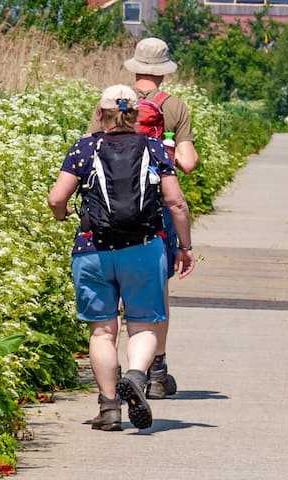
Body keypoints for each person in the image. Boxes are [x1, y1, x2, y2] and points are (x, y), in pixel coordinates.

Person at [49, 85, 196, 431]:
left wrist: (63, 213)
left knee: (102, 331)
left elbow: (57, 198)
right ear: (137, 117)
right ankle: (135, 374)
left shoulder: (84, 148)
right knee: (143, 323)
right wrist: (185, 248)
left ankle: (110, 407)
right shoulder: (157, 148)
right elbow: (176, 203)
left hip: (92, 250)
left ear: (100, 115)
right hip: (144, 249)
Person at [94, 37, 199, 399]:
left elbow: (92, 148)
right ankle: (155, 370)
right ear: (165, 72)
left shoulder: (111, 101)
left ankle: (112, 373)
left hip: (106, 213)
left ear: (135, 66)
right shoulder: (175, 107)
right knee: (155, 290)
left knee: (110, 290)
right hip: (154, 210)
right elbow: (188, 162)